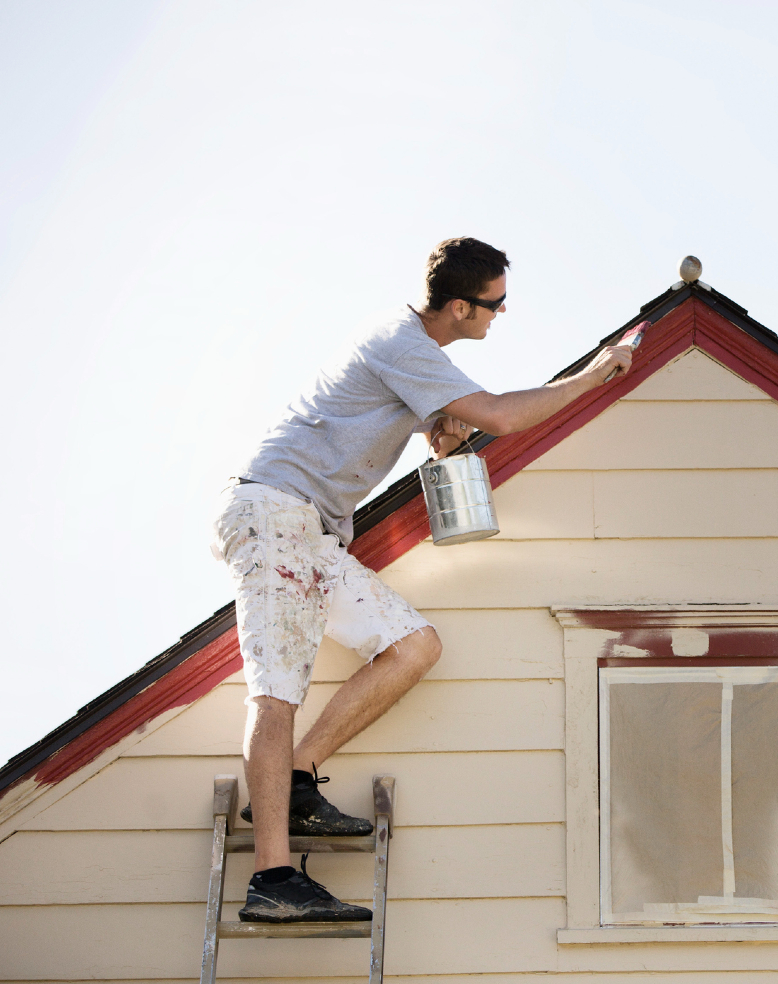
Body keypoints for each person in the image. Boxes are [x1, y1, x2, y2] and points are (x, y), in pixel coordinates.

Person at [210, 237, 636, 922]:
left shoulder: (414, 356)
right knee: (276, 690)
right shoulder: (402, 341)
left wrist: (438, 424)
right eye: (496, 305)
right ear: (462, 307)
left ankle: (293, 778)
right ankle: (271, 878)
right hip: (273, 511)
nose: (501, 316)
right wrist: (593, 376)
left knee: (414, 645)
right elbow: (497, 413)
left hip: (315, 530)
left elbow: (421, 413)